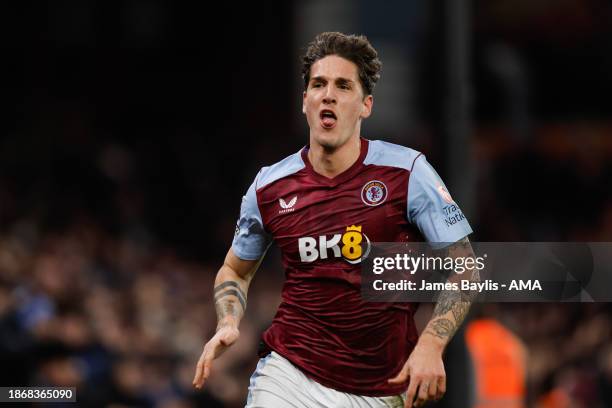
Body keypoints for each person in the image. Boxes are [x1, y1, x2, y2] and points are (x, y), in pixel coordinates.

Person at [193, 32, 477, 408]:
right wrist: (228, 321)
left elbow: (466, 268)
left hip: (378, 387)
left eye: (343, 85)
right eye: (318, 84)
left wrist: (431, 344)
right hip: (289, 372)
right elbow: (235, 270)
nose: (328, 94)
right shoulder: (269, 187)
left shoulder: (408, 173)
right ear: (305, 101)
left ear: (365, 105)